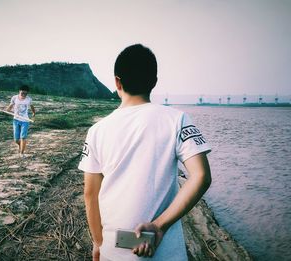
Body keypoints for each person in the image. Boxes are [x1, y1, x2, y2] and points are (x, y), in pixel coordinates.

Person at [78, 44, 212, 261]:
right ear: (154, 82)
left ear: (117, 82)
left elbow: (90, 194)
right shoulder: (177, 120)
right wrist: (159, 226)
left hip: (114, 249)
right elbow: (201, 176)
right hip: (166, 252)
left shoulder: (96, 131)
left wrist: (98, 243)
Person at [6, 84, 36, 158]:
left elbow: (32, 106)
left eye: (25, 93)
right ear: (19, 91)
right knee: (16, 139)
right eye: (22, 93)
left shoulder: (29, 99)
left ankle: (21, 153)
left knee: (23, 137)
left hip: (25, 121)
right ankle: (21, 145)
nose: (24, 94)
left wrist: (33, 113)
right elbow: (11, 105)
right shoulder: (14, 98)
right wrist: (7, 110)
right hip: (16, 119)